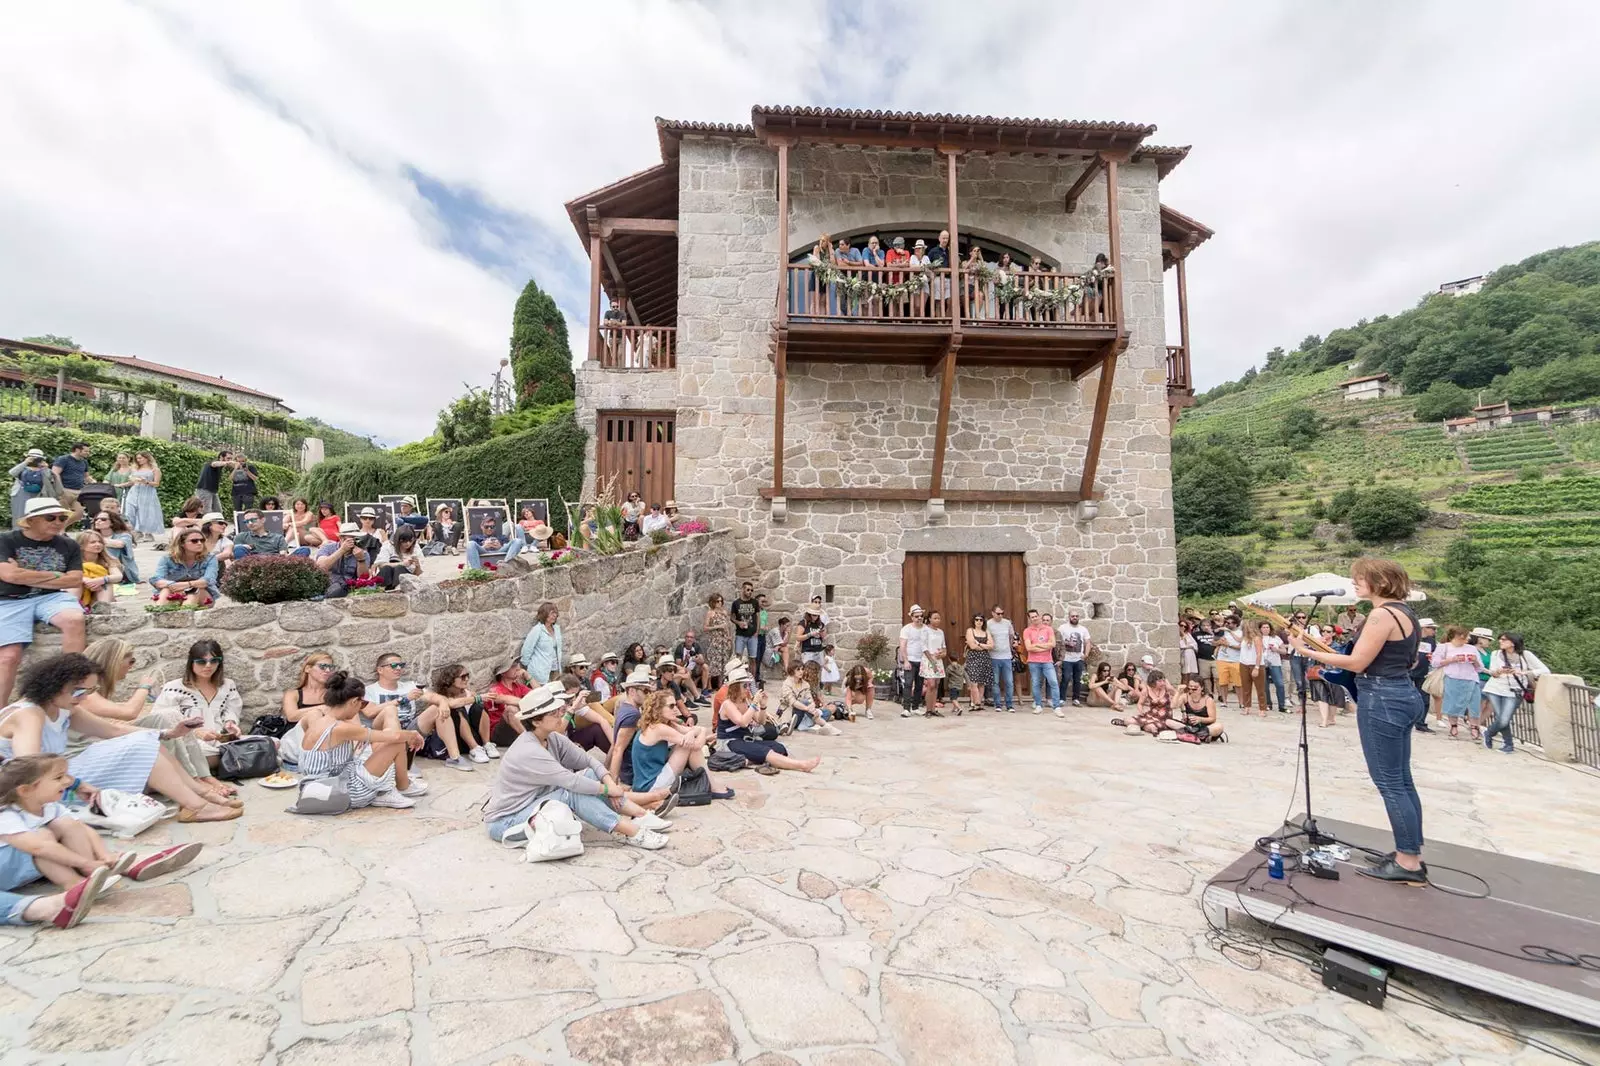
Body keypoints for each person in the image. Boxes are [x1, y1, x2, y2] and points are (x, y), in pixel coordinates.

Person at [1289, 558, 1427, 885]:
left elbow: (1357, 661)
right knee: (1402, 780)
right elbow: (1408, 659)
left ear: (1380, 581)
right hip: (1401, 692)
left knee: (1390, 782)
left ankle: (1408, 862)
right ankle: (1410, 851)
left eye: (1360, 578)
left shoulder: (1381, 614)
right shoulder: (1405, 613)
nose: (1355, 583)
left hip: (1382, 697)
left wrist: (1307, 651)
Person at [0, 653, 239, 822]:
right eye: (80, 691)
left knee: (145, 742)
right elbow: (30, 768)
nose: (84, 697)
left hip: (59, 772)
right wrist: (77, 784)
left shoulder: (65, 707)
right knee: (141, 746)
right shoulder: (29, 715)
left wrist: (169, 733)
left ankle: (198, 797)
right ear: (54, 686)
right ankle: (196, 804)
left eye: (90, 691)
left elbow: (113, 731)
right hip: (37, 786)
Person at [483, 686, 671, 848]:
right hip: (506, 820)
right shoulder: (529, 750)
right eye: (553, 712)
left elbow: (589, 761)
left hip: (533, 804)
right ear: (535, 721)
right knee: (571, 792)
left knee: (588, 775)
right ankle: (631, 831)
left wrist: (608, 782)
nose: (561, 714)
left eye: (559, 709)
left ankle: (639, 814)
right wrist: (608, 789)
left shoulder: (552, 738)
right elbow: (571, 782)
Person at [80, 638, 230, 799]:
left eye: (214, 661)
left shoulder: (227, 685)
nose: (132, 666)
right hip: (90, 752)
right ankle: (194, 781)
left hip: (101, 740)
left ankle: (204, 777)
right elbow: (128, 713)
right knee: (161, 731)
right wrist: (144, 686)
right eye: (130, 661)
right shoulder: (84, 691)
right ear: (113, 662)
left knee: (170, 716)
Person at [297, 670, 425, 810]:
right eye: (362, 703)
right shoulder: (339, 728)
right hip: (340, 790)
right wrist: (413, 734)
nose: (361, 708)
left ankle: (391, 787)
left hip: (314, 787)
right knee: (396, 742)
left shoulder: (315, 718)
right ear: (353, 702)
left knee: (372, 749)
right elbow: (395, 737)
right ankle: (402, 786)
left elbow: (305, 726)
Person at [0, 498, 86, 703]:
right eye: (51, 517)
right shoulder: (6, 540)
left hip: (52, 597)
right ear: (31, 520)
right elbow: (8, 576)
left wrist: (23, 573)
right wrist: (56, 575)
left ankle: (71, 688)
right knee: (8, 657)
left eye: (62, 517)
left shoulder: (69, 544)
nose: (58, 522)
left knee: (74, 619)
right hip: (10, 599)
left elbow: (75, 579)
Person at [157, 640, 244, 779]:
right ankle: (227, 762)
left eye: (214, 660)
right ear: (191, 662)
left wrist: (230, 724)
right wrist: (197, 732)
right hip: (190, 743)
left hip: (221, 743)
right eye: (201, 662)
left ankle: (220, 763)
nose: (208, 666)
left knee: (272, 743)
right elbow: (162, 719)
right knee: (199, 753)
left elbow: (232, 710)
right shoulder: (174, 687)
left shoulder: (227, 685)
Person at [717, 664, 820, 774]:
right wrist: (754, 704)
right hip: (729, 742)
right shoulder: (728, 704)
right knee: (766, 751)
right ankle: (801, 765)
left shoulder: (745, 701)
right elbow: (742, 722)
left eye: (748, 685)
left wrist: (763, 707)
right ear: (736, 687)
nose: (747, 689)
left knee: (779, 748)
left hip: (744, 738)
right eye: (745, 686)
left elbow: (760, 721)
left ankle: (750, 759)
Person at [631, 689, 727, 798]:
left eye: (675, 705)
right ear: (658, 709)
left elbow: (691, 731)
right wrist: (701, 731)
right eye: (671, 706)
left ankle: (711, 784)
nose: (676, 710)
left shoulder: (664, 724)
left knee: (684, 745)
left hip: (645, 783)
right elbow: (696, 745)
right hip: (650, 786)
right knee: (686, 747)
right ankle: (713, 786)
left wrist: (695, 732)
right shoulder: (659, 728)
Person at [1482, 632, 1547, 754]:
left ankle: (1488, 733)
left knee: (1504, 719)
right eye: (1500, 639)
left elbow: (1544, 670)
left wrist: (1523, 672)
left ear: (1512, 642)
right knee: (1501, 718)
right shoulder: (1496, 654)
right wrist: (1499, 671)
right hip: (1495, 688)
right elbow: (1493, 673)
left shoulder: (1525, 655)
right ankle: (1508, 744)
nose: (1500, 641)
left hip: (1514, 690)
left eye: (1503, 639)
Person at [421, 664, 495, 770]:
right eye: (463, 677)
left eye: (467, 675)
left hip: (470, 736)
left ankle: (486, 744)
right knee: (457, 710)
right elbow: (452, 704)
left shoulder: (470, 694)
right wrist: (478, 698)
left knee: (478, 707)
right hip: (452, 740)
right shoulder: (441, 697)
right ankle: (474, 748)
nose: (467, 679)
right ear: (451, 679)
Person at [1431, 626, 1483, 739]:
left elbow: (1480, 668)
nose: (1469, 638)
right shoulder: (1443, 647)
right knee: (1452, 704)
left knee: (1474, 704)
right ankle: (1453, 726)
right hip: (1452, 677)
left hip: (1471, 678)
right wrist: (1452, 660)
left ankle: (1474, 727)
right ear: (1460, 636)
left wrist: (1475, 661)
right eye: (1467, 635)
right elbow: (1435, 663)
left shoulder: (1472, 649)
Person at [605, 666, 653, 788]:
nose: (648, 695)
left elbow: (614, 745)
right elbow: (618, 749)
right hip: (634, 773)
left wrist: (605, 771)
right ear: (631, 691)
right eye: (645, 691)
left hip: (629, 771)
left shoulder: (624, 708)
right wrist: (613, 784)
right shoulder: (633, 714)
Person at [152, 528, 220, 606]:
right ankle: (160, 612)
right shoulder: (167, 558)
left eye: (202, 540)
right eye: (194, 541)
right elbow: (157, 579)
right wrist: (172, 585)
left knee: (194, 590)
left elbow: (208, 580)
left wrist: (187, 585)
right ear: (182, 543)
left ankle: (185, 612)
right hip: (175, 591)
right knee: (166, 590)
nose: (199, 543)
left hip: (203, 595)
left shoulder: (210, 558)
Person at [10, 449, 63, 529]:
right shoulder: (23, 467)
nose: (34, 460)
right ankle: (18, 534)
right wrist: (25, 462)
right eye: (32, 458)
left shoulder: (44, 469)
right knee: (19, 515)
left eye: (37, 458)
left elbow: (50, 479)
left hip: (39, 494)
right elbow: (12, 473)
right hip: (21, 493)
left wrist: (45, 467)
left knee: (38, 515)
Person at [314, 523, 370, 598]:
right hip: (328, 586)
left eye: (357, 538)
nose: (355, 541)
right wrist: (342, 550)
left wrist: (361, 560)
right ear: (341, 538)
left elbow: (363, 578)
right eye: (352, 538)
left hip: (350, 588)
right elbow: (321, 567)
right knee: (336, 590)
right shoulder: (328, 548)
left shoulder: (363, 553)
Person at [1023, 609, 1060, 716]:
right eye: (1032, 617)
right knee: (1035, 684)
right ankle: (1038, 705)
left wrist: (1037, 645)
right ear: (1029, 619)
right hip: (1033, 662)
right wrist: (1044, 646)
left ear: (1039, 616)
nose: (1035, 618)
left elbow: (1052, 644)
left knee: (1053, 682)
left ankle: (1057, 707)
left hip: (1047, 661)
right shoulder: (1027, 631)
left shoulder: (1048, 629)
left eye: (1036, 616)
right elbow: (1029, 647)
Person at [90, 511, 139, 586]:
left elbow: (120, 544)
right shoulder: (92, 535)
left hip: (121, 568)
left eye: (103, 519)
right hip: (101, 565)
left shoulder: (124, 535)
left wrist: (94, 541)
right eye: (96, 519)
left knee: (111, 547)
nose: (98, 521)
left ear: (112, 522)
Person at [520, 602, 564, 685]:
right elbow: (527, 649)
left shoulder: (556, 629)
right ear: (544, 614)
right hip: (539, 670)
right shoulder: (537, 630)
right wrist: (528, 666)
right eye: (552, 613)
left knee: (555, 693)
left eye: (556, 613)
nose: (555, 615)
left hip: (554, 669)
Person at [122, 453, 164, 538]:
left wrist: (146, 482)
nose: (138, 460)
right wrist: (122, 484)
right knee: (129, 511)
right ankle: (137, 530)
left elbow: (156, 484)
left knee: (146, 512)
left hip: (147, 491)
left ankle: (148, 533)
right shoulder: (135, 468)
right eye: (137, 458)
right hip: (134, 490)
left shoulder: (155, 469)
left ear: (147, 458)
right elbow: (132, 481)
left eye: (140, 458)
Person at [73, 531, 119, 608]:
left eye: (100, 542)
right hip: (81, 592)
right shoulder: (73, 560)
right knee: (75, 581)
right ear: (81, 545)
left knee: (106, 583)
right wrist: (85, 580)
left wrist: (101, 580)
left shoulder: (107, 560)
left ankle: (102, 609)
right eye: (93, 542)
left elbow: (118, 576)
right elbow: (64, 575)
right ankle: (72, 607)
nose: (98, 544)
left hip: (99, 593)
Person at [1056, 611, 1093, 707]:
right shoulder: (1063, 628)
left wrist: (1086, 654)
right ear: (1069, 617)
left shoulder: (1083, 629)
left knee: (1077, 679)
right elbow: (1059, 641)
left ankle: (1076, 699)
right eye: (1073, 616)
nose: (1075, 617)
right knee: (1066, 678)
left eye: (1076, 616)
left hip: (1078, 659)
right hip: (1066, 658)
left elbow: (1087, 642)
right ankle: (1062, 699)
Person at [897, 606, 929, 715]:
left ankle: (915, 707)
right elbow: (902, 646)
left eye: (921, 616)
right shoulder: (906, 629)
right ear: (911, 617)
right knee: (908, 683)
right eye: (917, 616)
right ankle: (906, 708)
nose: (919, 618)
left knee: (920, 685)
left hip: (922, 660)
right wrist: (905, 660)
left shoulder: (926, 629)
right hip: (910, 659)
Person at [985, 604, 1016, 711]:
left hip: (1006, 656)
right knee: (995, 682)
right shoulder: (988, 624)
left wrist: (1010, 647)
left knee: (1009, 682)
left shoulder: (1007, 623)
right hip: (994, 656)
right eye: (998, 613)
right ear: (992, 613)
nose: (1000, 615)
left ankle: (1009, 704)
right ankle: (998, 704)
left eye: (1002, 613)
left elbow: (1012, 636)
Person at [1411, 617, 1439, 733]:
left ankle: (1421, 723)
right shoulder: (1412, 638)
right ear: (1423, 628)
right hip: (1408, 670)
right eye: (1431, 628)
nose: (1434, 631)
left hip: (1423, 672)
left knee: (1425, 699)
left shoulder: (1431, 641)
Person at [48, 442, 91, 515]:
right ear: (77, 450)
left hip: (79, 493)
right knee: (62, 514)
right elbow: (55, 473)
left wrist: (94, 482)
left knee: (79, 514)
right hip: (65, 491)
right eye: (86, 451)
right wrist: (61, 490)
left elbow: (86, 476)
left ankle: (64, 526)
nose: (88, 453)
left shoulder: (84, 462)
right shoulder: (64, 459)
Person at [962, 613, 993, 711]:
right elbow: (972, 646)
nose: (979, 621)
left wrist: (979, 643)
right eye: (977, 619)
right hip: (973, 658)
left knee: (981, 682)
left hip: (984, 659)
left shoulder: (986, 632)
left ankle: (976, 704)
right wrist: (984, 646)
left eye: (981, 620)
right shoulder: (970, 631)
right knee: (973, 682)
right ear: (974, 621)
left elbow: (992, 646)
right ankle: (977, 702)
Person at [702, 593, 734, 687]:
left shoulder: (724, 612)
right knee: (713, 663)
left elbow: (727, 626)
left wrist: (729, 638)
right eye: (717, 601)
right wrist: (718, 626)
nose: (720, 603)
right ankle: (709, 686)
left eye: (721, 601)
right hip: (715, 641)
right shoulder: (710, 613)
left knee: (723, 663)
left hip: (723, 641)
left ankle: (720, 686)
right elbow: (705, 628)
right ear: (713, 602)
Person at [1260, 621, 1288, 714]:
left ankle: (1282, 705)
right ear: (1260, 629)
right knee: (1264, 685)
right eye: (1263, 627)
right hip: (1262, 663)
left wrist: (1276, 650)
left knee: (1279, 684)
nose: (1266, 629)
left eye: (1267, 627)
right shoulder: (1258, 638)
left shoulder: (1276, 638)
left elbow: (1284, 651)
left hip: (1275, 663)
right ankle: (1268, 704)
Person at [1214, 615, 1242, 707]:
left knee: (1238, 683)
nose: (1228, 624)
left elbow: (1241, 647)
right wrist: (1220, 642)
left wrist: (1228, 645)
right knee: (1223, 682)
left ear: (1236, 624)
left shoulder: (1240, 633)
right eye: (1227, 623)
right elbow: (1213, 642)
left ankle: (1241, 702)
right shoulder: (1223, 632)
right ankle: (1224, 701)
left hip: (1236, 660)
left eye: (1230, 623)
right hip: (1222, 659)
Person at [730, 581, 761, 664]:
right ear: (743, 590)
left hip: (752, 635)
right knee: (738, 658)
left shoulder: (755, 602)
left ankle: (752, 677)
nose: (750, 592)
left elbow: (758, 617)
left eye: (751, 590)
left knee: (753, 659)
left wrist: (757, 632)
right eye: (748, 590)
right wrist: (738, 623)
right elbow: (732, 618)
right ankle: (738, 676)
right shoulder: (736, 603)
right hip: (740, 635)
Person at [1178, 621, 1200, 686]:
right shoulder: (1177, 636)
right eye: (1181, 625)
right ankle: (1183, 690)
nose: (1183, 627)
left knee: (1191, 674)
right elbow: (1182, 646)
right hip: (1184, 655)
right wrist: (1188, 645)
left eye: (1185, 626)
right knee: (1184, 674)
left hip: (1191, 655)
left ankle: (1189, 689)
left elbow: (1195, 644)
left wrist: (1188, 645)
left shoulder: (1188, 634)